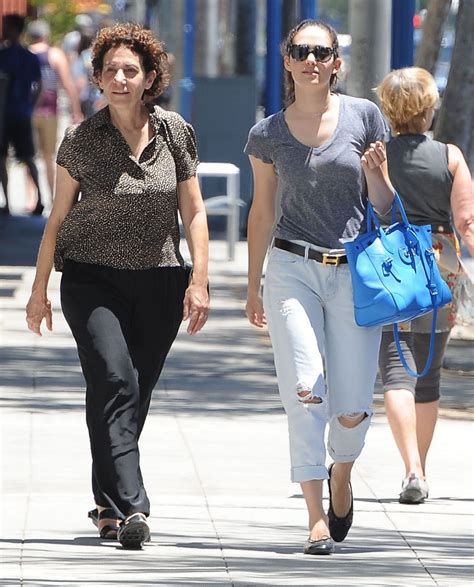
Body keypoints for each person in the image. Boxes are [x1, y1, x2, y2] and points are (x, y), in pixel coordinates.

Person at [25, 23, 209, 549]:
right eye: (111, 71)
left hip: (159, 280)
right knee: (114, 381)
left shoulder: (175, 132)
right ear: (98, 79)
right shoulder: (82, 139)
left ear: (150, 77)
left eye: (132, 70)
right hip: (91, 277)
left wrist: (200, 279)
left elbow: (194, 212)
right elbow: (57, 219)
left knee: (132, 394)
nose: (121, 79)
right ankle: (133, 506)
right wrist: (39, 292)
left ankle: (106, 504)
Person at [244, 19, 394, 555]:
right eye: (301, 51)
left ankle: (342, 475)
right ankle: (313, 517)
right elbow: (261, 212)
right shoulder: (268, 134)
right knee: (306, 390)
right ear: (287, 61)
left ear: (336, 62)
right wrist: (253, 285)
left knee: (351, 403)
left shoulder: (364, 116)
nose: (311, 60)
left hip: (354, 271)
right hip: (291, 269)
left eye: (321, 52)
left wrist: (377, 175)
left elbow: (382, 204)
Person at [376, 67, 473, 505]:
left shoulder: (375, 154)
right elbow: (467, 222)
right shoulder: (449, 156)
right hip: (439, 265)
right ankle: (419, 470)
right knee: (428, 375)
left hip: (389, 265)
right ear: (428, 107)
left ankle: (412, 466)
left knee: (397, 371)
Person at [27, 19, 83, 204]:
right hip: (49, 111)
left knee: (29, 156)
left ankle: (33, 198)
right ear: (46, 35)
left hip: (28, 111)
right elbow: (68, 84)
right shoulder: (55, 55)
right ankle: (50, 196)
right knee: (48, 156)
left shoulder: (26, 54)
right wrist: (76, 111)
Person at [0, 14, 43, 215]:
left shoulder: (4, 55)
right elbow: (39, 85)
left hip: (6, 113)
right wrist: (30, 105)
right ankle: (40, 198)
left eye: (7, 26)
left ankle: (8, 203)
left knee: (4, 157)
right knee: (28, 157)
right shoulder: (29, 56)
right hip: (21, 112)